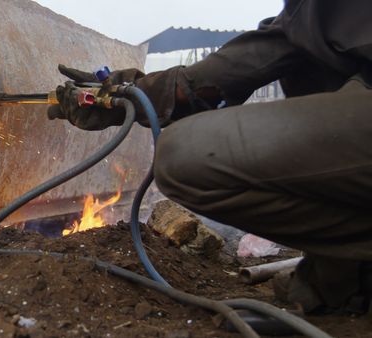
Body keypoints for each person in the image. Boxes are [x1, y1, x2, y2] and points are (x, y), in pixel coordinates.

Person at [47, 0, 372, 315]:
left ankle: (350, 274)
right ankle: (345, 276)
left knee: (183, 156)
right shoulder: (310, 14)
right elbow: (250, 60)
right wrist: (122, 95)